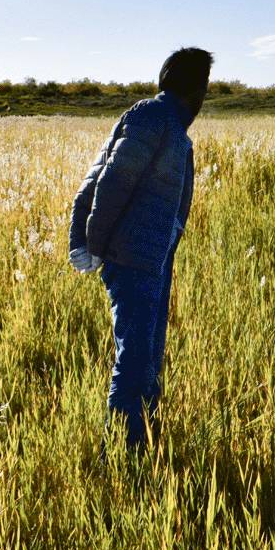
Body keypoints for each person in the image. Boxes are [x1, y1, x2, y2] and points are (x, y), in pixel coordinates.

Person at [68, 47, 211, 449]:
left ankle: (144, 445)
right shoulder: (152, 116)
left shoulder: (170, 125)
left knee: (147, 359)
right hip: (132, 260)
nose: (204, 96)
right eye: (204, 86)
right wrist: (91, 244)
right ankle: (120, 454)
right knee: (134, 361)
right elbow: (110, 181)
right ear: (196, 88)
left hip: (152, 260)